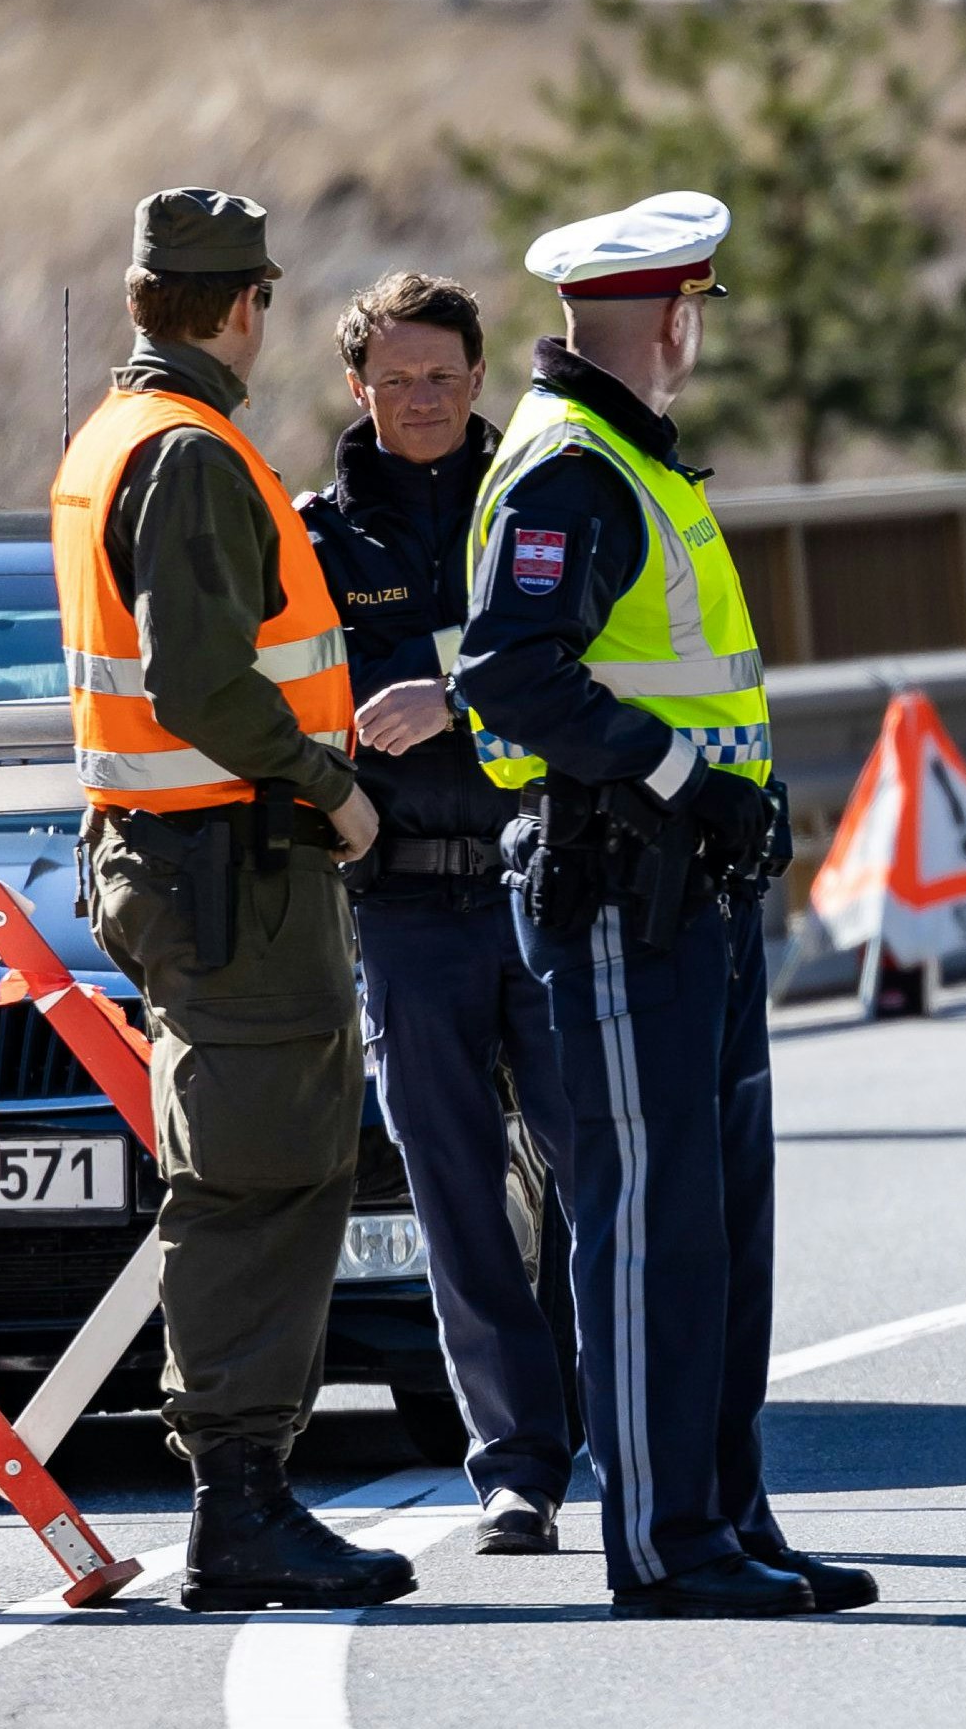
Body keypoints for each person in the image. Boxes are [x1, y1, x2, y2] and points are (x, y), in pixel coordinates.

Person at [456, 191, 873, 1619]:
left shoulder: (629, 459)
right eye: (697, 305)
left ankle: (724, 1512)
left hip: (691, 893)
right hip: (622, 892)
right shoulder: (570, 469)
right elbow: (511, 671)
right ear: (673, 315)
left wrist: (711, 799)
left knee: (719, 1220)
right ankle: (663, 1541)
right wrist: (684, 778)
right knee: (649, 1218)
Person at [48, 188, 415, 1613]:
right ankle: (244, 1504)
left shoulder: (112, 439)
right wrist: (330, 783)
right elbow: (203, 681)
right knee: (264, 1177)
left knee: (249, 1168)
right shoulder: (192, 453)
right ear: (245, 302)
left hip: (185, 857)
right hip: (235, 864)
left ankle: (246, 1496)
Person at [296, 272, 579, 1558]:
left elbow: (587, 659)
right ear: (357, 389)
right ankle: (515, 1467)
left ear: (481, 381)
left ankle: (631, 1438)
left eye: (446, 377)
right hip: (405, 909)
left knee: (605, 1179)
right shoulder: (310, 543)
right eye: (398, 379)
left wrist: (455, 698)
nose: (424, 400)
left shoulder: (539, 501)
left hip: (548, 882)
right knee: (458, 1201)